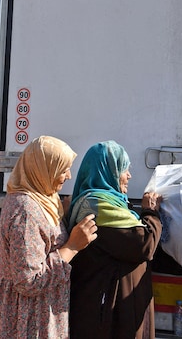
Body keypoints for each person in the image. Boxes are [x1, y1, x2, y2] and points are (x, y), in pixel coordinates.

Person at [0, 136, 98, 338]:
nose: (68, 175)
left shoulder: (40, 198)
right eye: (63, 169)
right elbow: (28, 281)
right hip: (25, 319)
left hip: (33, 313)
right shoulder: (26, 210)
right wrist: (72, 247)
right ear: (43, 169)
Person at [65, 141, 163, 339]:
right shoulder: (96, 205)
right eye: (124, 169)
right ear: (107, 170)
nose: (129, 175)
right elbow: (143, 245)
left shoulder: (110, 203)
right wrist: (151, 213)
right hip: (105, 314)